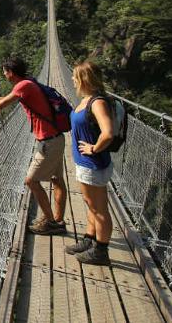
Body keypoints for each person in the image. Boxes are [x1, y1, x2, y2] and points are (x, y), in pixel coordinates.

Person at [0, 57, 67, 235]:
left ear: (11, 72)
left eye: (5, 72)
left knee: (31, 180)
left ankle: (51, 222)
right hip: (55, 138)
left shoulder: (23, 86)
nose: (4, 75)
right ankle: (58, 221)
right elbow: (8, 98)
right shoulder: (29, 82)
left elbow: (3, 103)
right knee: (57, 181)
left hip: (48, 143)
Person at [64, 61, 114, 265]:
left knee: (99, 208)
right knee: (91, 205)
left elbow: (108, 132)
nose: (73, 80)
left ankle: (101, 251)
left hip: (93, 163)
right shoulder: (87, 99)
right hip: (85, 163)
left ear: (84, 79)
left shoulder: (97, 102)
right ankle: (90, 239)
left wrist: (93, 148)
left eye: (76, 76)